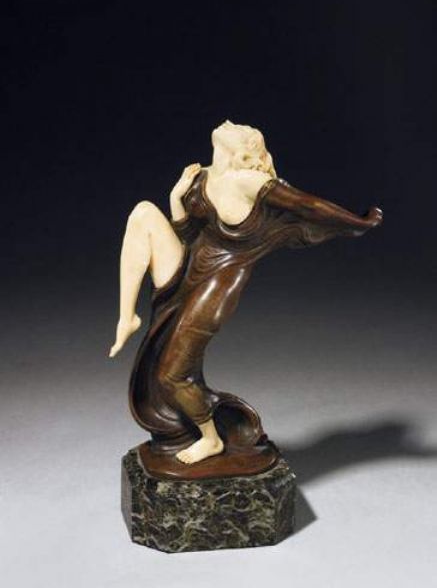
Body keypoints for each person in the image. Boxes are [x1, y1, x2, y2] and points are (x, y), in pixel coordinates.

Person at [109, 120, 382, 465]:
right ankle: (126, 317)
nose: (228, 122)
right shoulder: (203, 175)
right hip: (189, 265)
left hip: (218, 281)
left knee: (172, 374)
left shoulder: (251, 182)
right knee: (143, 213)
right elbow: (189, 233)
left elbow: (308, 206)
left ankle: (211, 439)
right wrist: (176, 196)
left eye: (237, 127)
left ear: (244, 149)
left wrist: (357, 223)